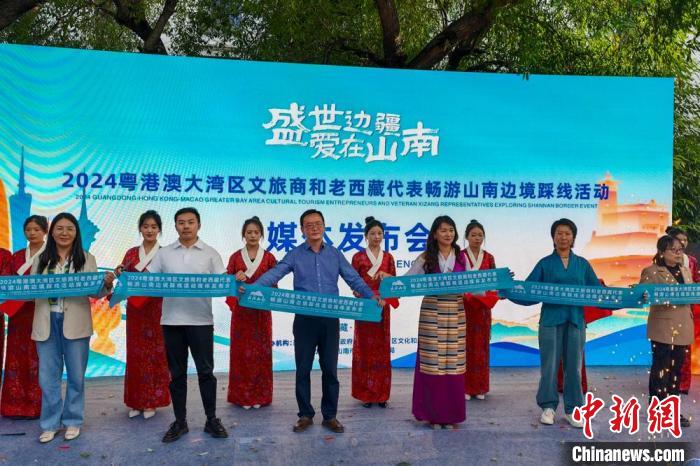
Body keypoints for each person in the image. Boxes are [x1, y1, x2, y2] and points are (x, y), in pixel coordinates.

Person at [251, 209, 378, 434]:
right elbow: (276, 273)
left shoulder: (335, 254)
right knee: (303, 369)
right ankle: (305, 414)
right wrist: (253, 288)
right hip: (304, 320)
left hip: (330, 319)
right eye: (309, 225)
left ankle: (330, 416)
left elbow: (353, 278)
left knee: (330, 370)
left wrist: (371, 296)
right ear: (302, 230)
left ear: (324, 226)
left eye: (318, 224)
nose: (314, 228)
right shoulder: (295, 254)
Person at [146, 207, 228, 442]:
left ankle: (211, 420)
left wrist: (236, 280)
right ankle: (180, 422)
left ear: (198, 225)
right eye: (181, 222)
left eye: (190, 222)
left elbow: (224, 281)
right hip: (171, 322)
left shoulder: (210, 253)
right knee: (177, 375)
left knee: (206, 373)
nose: (186, 226)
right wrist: (127, 278)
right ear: (175, 226)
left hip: (201, 321)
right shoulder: (164, 254)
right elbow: (149, 280)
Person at [31, 212, 114, 443]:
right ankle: (50, 424)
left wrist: (106, 285)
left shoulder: (86, 258)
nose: (64, 233)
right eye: (59, 228)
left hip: (76, 323)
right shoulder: (40, 259)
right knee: (48, 377)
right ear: (52, 233)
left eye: (70, 228)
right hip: (46, 321)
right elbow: (31, 289)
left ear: (76, 233)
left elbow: (95, 292)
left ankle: (73, 421)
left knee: (76, 376)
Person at [512, 218, 601, 428]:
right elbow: (528, 290)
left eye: (567, 233)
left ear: (573, 238)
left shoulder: (582, 264)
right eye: (559, 233)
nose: (563, 237)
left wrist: (629, 297)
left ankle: (573, 410)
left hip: (576, 321)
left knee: (574, 367)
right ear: (553, 237)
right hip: (550, 321)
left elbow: (598, 292)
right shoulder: (545, 263)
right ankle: (548, 407)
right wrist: (508, 290)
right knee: (549, 366)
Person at [405, 215, 467, 429]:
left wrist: (498, 285)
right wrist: (389, 285)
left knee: (453, 364)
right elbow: (408, 280)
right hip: (432, 313)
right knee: (433, 364)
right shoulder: (426, 257)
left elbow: (474, 283)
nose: (448, 234)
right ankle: (434, 415)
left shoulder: (461, 257)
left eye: (451, 230)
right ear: (434, 234)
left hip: (456, 313)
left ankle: (450, 415)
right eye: (443, 230)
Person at [116, 210, 170, 420]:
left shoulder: (164, 253)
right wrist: (119, 271)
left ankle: (152, 402)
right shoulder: (131, 253)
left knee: (156, 354)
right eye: (146, 226)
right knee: (136, 354)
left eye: (154, 227)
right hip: (136, 311)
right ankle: (135, 401)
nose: (149, 230)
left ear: (159, 230)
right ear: (140, 228)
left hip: (157, 310)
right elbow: (124, 277)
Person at [640, 235, 694, 427]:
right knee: (661, 369)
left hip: (683, 327)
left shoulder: (685, 270)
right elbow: (641, 295)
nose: (678, 253)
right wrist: (645, 295)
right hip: (662, 327)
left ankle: (672, 410)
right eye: (673, 250)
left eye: (680, 249)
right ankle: (657, 410)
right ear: (662, 252)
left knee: (676, 371)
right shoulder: (652, 271)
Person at [225, 216, 277, 409]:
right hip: (242, 314)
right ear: (243, 235)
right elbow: (228, 283)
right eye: (249, 232)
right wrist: (235, 281)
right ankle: (243, 396)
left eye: (256, 232)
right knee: (241, 354)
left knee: (261, 353)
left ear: (261, 234)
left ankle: (260, 396)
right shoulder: (235, 257)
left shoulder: (269, 258)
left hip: (261, 314)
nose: (253, 235)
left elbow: (275, 285)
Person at [0, 215, 47, 419]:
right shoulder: (16, 256)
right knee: (16, 359)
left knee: (39, 359)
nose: (32, 233)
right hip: (19, 315)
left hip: (42, 312)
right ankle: (13, 405)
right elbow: (6, 281)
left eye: (37, 229)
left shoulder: (52, 254)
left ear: (45, 231)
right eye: (28, 229)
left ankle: (37, 406)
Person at [351, 216, 397, 408]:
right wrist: (362, 294)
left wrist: (386, 295)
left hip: (382, 307)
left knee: (382, 349)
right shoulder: (358, 257)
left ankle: (381, 394)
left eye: (379, 233)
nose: (376, 237)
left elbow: (394, 284)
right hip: (365, 307)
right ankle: (366, 394)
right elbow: (353, 282)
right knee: (364, 349)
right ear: (366, 236)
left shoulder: (388, 258)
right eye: (372, 234)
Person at [461, 219, 498, 401]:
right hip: (464, 307)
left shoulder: (489, 257)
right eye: (473, 235)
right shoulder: (460, 256)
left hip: (482, 309)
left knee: (481, 346)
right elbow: (455, 280)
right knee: (465, 346)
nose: (477, 238)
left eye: (480, 235)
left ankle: (480, 387)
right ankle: (466, 387)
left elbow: (494, 282)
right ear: (466, 237)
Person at [665, 226, 700, 395]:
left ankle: (682, 383)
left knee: (684, 347)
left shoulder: (691, 261)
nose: (683, 243)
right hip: (667, 310)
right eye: (679, 240)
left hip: (687, 308)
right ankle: (665, 382)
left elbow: (696, 280)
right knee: (667, 347)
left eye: (685, 240)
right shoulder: (661, 261)